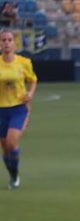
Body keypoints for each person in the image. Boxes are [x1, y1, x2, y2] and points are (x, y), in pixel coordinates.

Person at [0, 28, 35, 190]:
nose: (6, 43)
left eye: (9, 40)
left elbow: (33, 79)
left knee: (12, 142)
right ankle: (13, 175)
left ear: (15, 43)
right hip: (1, 110)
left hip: (18, 108)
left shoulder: (23, 63)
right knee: (5, 147)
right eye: (3, 40)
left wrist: (30, 93)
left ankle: (14, 176)